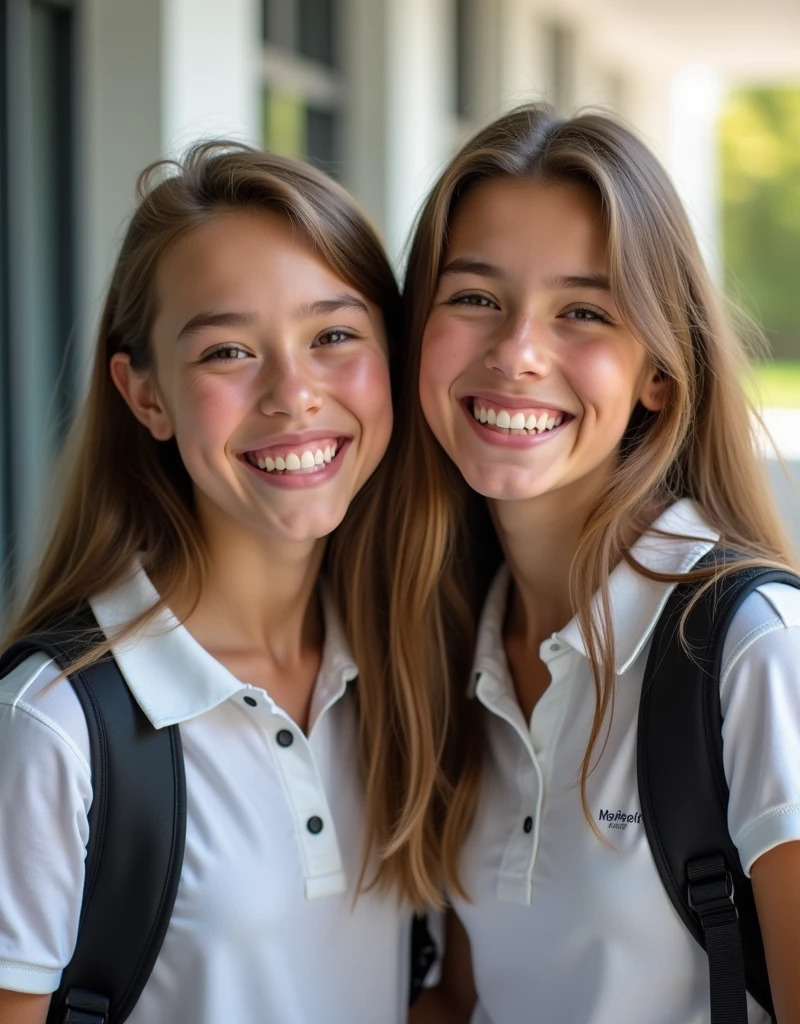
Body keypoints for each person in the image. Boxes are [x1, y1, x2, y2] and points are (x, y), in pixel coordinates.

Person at [390, 106, 800, 1023]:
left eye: (584, 311)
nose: (517, 352)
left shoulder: (752, 650)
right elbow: (461, 999)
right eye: (474, 297)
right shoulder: (449, 639)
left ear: (660, 371)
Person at [0, 142, 419, 1024]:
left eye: (334, 335)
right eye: (228, 351)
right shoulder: (54, 728)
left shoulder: (410, 669)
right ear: (145, 395)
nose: (293, 393)